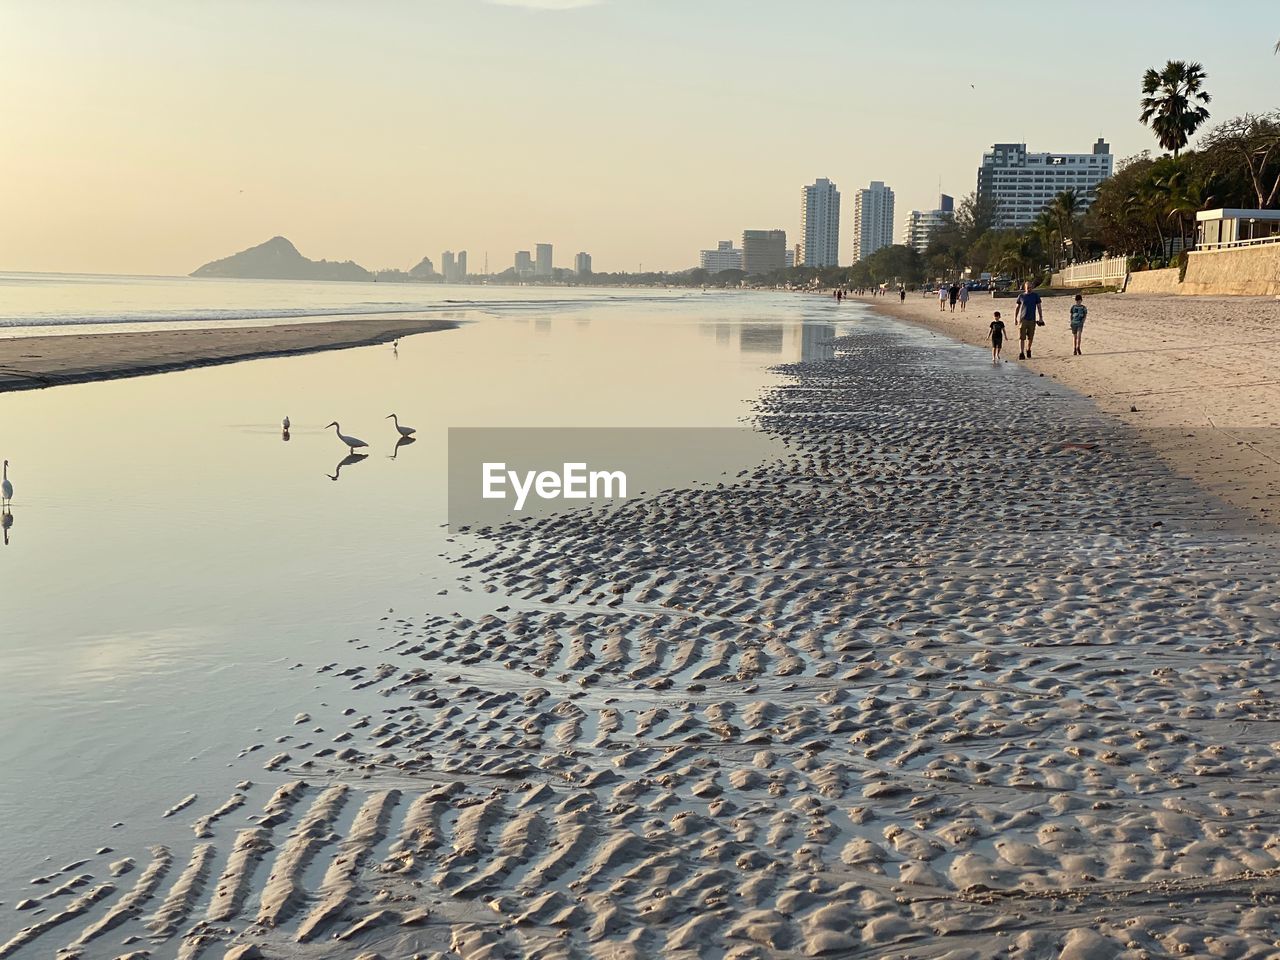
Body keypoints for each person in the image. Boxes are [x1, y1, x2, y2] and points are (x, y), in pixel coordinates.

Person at [1014, 281, 1043, 359]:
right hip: (1023, 319)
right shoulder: (1021, 296)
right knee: (1021, 337)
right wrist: (1015, 318)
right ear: (1025, 288)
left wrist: (1040, 317)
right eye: (1028, 288)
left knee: (1030, 337)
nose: (1029, 289)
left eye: (1030, 287)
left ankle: (1028, 349)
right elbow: (1017, 308)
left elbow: (1039, 307)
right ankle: (1021, 352)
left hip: (1032, 319)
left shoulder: (1035, 296)